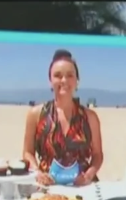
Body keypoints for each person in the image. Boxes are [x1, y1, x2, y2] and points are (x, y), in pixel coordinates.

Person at [22, 49, 103, 187]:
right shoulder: (36, 114)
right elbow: (27, 153)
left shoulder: (90, 117)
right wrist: (37, 172)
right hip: (47, 186)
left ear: (77, 81)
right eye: (58, 75)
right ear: (50, 80)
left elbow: (97, 155)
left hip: (82, 186)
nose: (64, 80)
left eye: (70, 75)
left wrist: (88, 175)